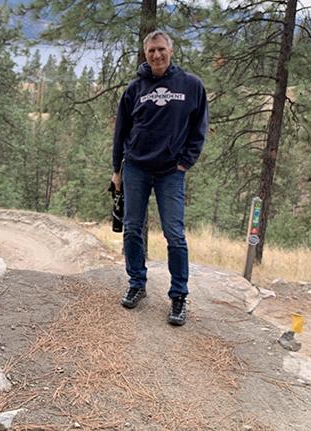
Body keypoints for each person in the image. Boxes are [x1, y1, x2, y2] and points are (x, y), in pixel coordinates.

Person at [111, 30, 208, 326]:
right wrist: (117, 170)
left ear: (171, 50)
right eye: (151, 50)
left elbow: (199, 128)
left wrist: (184, 163)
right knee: (132, 229)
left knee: (175, 236)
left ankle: (179, 296)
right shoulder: (134, 88)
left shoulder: (191, 86)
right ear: (145, 53)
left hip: (170, 173)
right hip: (136, 168)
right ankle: (137, 283)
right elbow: (121, 131)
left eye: (161, 49)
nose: (156, 55)